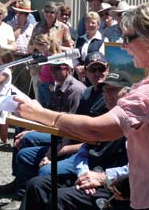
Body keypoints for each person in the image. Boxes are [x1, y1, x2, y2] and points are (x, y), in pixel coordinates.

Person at [16, 2, 149, 210]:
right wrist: (128, 182)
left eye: (128, 38)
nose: (123, 46)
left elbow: (97, 130)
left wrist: (39, 114)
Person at [22, 70, 133, 210]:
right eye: (105, 89)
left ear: (128, 94)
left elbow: (137, 166)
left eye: (113, 90)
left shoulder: (133, 124)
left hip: (114, 184)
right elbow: (84, 151)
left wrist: (102, 177)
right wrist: (84, 174)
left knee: (60, 198)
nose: (107, 94)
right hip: (88, 175)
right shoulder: (101, 116)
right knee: (36, 185)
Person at [0, 58, 87, 210]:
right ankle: (19, 180)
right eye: (52, 68)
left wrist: (53, 153)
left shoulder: (75, 90)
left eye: (60, 68)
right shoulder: (58, 86)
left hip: (68, 137)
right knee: (23, 133)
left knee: (26, 145)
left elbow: (70, 128)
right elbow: (50, 117)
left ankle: (22, 193)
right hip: (57, 130)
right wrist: (34, 129)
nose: (55, 72)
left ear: (69, 69)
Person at [8, 0, 36, 96]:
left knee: (25, 88)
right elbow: (11, 38)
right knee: (13, 86)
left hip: (26, 58)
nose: (24, 16)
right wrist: (19, 26)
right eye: (21, 13)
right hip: (13, 58)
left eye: (26, 14)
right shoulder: (10, 25)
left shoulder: (32, 27)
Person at [74, 12, 104, 83]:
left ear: (98, 25)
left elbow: (101, 59)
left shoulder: (103, 40)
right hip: (78, 76)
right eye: (88, 22)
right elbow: (74, 56)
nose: (90, 25)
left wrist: (85, 69)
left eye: (93, 23)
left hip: (95, 76)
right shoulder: (79, 39)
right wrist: (77, 68)